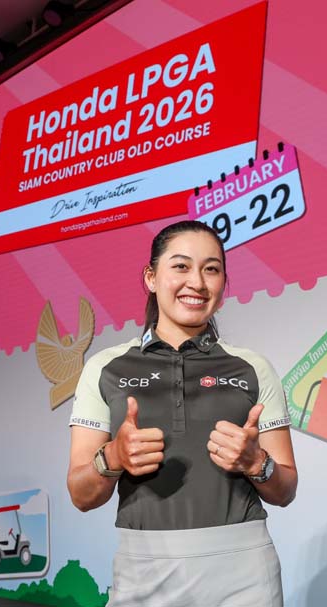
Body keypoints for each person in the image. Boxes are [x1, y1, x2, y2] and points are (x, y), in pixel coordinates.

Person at [67, 220, 297, 606]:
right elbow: (81, 494)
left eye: (211, 269)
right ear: (151, 277)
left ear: (224, 283)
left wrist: (256, 462)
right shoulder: (105, 368)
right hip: (143, 570)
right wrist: (114, 457)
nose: (197, 282)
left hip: (244, 571)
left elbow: (286, 489)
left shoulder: (253, 367)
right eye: (181, 266)